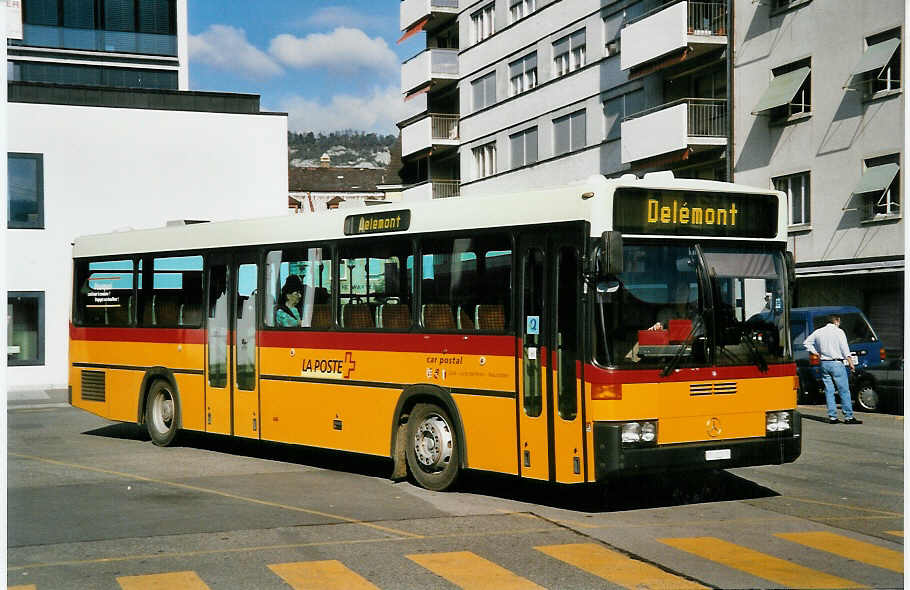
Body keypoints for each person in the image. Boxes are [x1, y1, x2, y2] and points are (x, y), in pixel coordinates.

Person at [803, 314, 862, 424]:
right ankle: (848, 416)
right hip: (836, 363)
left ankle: (832, 417)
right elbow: (845, 349)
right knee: (843, 390)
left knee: (829, 391)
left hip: (824, 363)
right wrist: (851, 363)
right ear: (837, 321)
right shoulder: (839, 332)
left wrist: (816, 353)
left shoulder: (819, 332)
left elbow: (806, 343)